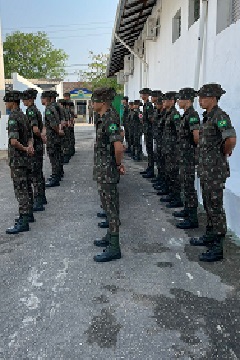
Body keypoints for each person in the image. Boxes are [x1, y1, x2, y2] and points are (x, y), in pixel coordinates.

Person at [190, 83, 236, 262]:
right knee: (209, 204)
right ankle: (210, 235)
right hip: (206, 170)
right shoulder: (208, 117)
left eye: (204, 97)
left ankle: (217, 247)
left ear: (214, 98)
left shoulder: (220, 116)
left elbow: (231, 138)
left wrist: (222, 152)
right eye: (199, 97)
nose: (200, 100)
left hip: (215, 170)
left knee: (215, 207)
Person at [92, 87, 125, 262]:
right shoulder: (104, 117)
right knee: (107, 205)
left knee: (111, 208)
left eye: (94, 100)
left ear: (103, 102)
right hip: (103, 170)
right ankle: (109, 237)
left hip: (107, 171)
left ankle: (114, 247)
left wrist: (118, 164)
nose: (92, 103)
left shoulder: (110, 118)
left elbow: (118, 146)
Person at [4, 91, 35, 234]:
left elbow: (14, 141)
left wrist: (24, 149)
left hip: (18, 160)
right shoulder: (23, 115)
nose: (6, 104)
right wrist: (29, 147)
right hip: (26, 159)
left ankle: (23, 220)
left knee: (20, 189)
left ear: (13, 102)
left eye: (7, 102)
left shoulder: (13, 118)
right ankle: (29, 215)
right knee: (27, 187)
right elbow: (30, 136)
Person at [174, 88, 200, 229]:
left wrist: (191, 150)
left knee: (189, 187)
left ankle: (192, 218)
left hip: (188, 157)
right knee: (185, 184)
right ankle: (187, 210)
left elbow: (196, 136)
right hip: (184, 156)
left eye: (180, 99)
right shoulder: (186, 115)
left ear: (188, 100)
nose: (178, 101)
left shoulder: (192, 115)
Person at [22, 88, 47, 211]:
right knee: (38, 172)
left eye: (25, 99)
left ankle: (38, 200)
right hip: (38, 145)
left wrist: (40, 137)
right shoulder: (35, 109)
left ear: (31, 99)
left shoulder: (31, 111)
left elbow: (35, 129)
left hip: (35, 145)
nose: (23, 101)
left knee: (35, 174)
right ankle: (42, 197)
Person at [160, 92, 183, 208]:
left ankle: (176, 198)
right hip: (167, 148)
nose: (163, 103)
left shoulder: (175, 115)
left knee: (174, 174)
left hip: (173, 150)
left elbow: (180, 133)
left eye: (165, 101)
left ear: (172, 101)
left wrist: (176, 148)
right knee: (169, 172)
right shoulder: (168, 114)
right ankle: (170, 194)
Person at [41, 91, 61, 187]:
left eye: (42, 98)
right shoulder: (52, 108)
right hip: (54, 137)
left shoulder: (49, 109)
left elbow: (53, 125)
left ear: (45, 99)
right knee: (56, 157)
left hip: (52, 138)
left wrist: (57, 131)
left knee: (53, 158)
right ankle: (56, 175)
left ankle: (55, 178)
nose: (41, 100)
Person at [139, 88, 155, 178]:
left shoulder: (148, 105)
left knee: (150, 150)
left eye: (143, 94)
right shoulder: (145, 105)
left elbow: (151, 118)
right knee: (148, 150)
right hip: (146, 129)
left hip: (149, 130)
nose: (142, 96)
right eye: (141, 94)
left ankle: (151, 170)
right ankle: (149, 168)